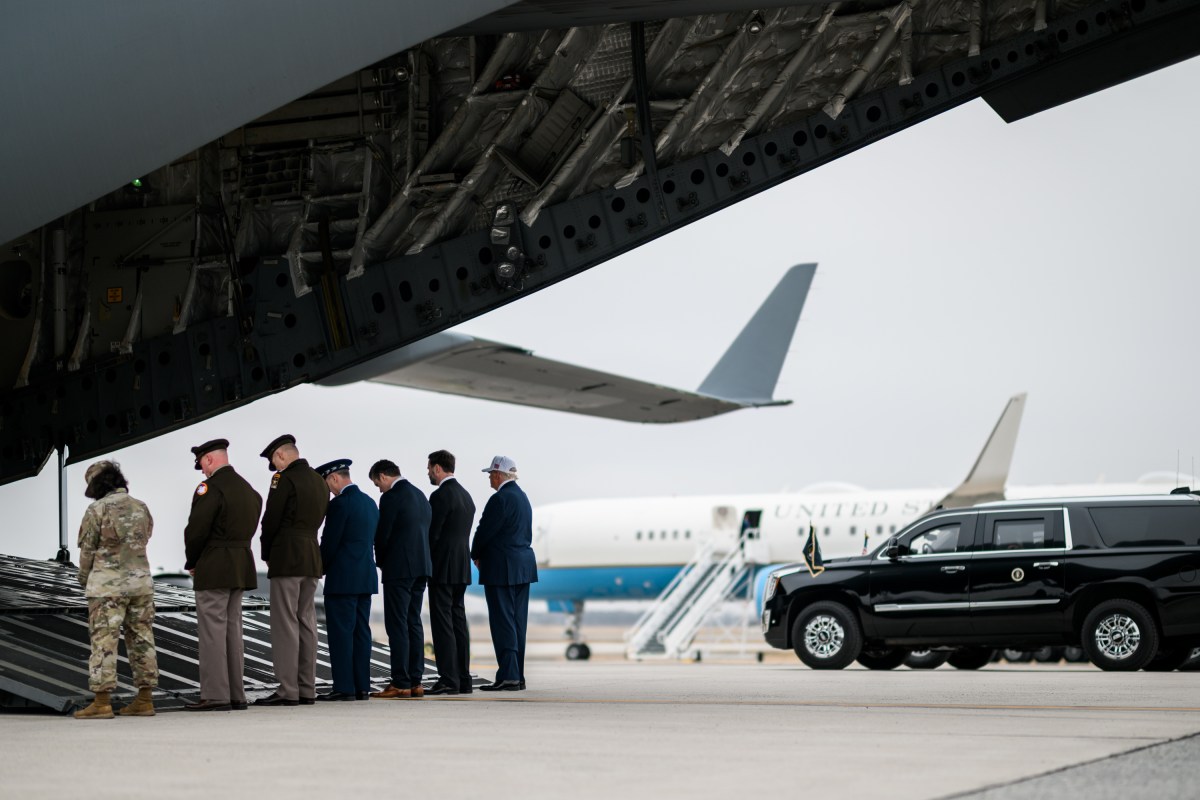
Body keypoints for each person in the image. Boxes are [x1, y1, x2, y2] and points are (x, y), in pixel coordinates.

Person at [73, 460, 159, 719]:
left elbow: (87, 549)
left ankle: (101, 703)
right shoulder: (141, 507)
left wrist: (84, 579)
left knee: (104, 642)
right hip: (141, 585)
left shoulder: (97, 509)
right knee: (142, 639)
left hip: (107, 587)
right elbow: (146, 538)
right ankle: (144, 700)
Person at [183, 439, 263, 712]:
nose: (203, 472)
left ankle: (216, 695)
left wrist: (193, 561)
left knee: (212, 634)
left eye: (202, 465)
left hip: (214, 566)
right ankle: (236, 694)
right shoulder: (249, 490)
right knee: (233, 632)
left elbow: (196, 531)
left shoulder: (210, 488)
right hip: (240, 566)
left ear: (208, 459)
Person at [256, 434, 328, 707]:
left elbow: (271, 520)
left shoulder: (283, 479)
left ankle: (288, 690)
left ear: (281, 455)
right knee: (307, 623)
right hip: (311, 556)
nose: (275, 468)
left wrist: (267, 553)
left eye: (274, 462)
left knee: (285, 623)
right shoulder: (319, 481)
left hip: (287, 556)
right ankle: (307, 688)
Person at [471, 455, 537, 691]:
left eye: (491, 474)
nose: (489, 478)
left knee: (503, 622)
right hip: (523, 567)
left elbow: (484, 531)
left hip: (502, 568)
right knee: (518, 623)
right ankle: (517, 676)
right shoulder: (523, 497)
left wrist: (475, 553)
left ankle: (508, 676)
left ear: (499, 475)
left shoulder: (500, 499)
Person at [315, 459, 379, 701]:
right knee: (361, 633)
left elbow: (330, 542)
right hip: (365, 577)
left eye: (327, 484)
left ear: (334, 478)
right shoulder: (370, 502)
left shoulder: (340, 505)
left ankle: (344, 687)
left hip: (343, 579)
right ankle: (362, 686)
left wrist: (320, 568)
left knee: (341, 634)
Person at [368, 459, 432, 699]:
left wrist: (381, 561)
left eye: (377, 484)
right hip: (422, 566)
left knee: (397, 624)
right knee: (414, 622)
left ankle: (400, 681)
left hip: (399, 568)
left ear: (383, 476)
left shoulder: (391, 498)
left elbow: (382, 534)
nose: (379, 490)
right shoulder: (420, 495)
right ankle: (416, 681)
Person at [424, 449, 476, 695]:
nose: (428, 473)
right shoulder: (466, 496)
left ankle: (448, 679)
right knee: (458, 622)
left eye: (429, 468)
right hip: (461, 567)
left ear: (437, 468)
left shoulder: (440, 496)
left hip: (442, 567)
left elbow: (433, 534)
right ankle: (463, 678)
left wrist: (426, 562)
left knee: (442, 623)